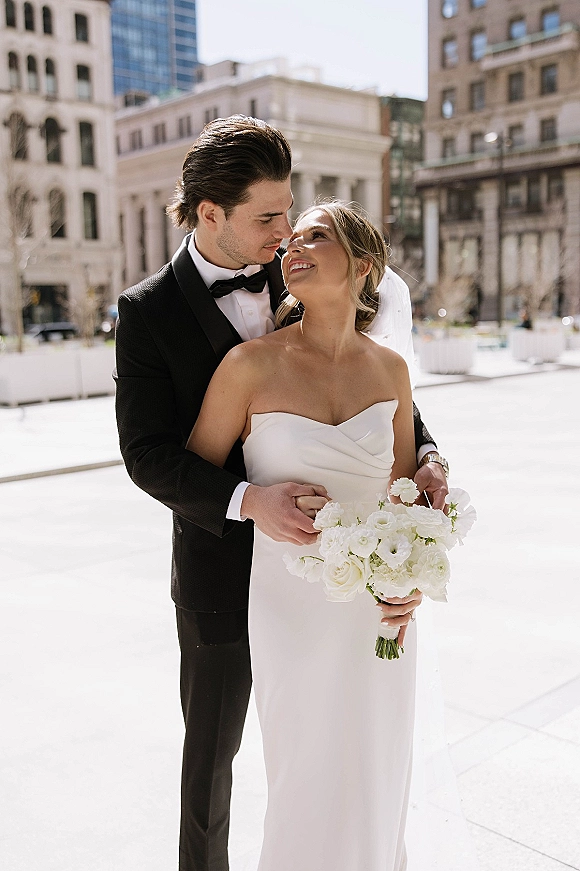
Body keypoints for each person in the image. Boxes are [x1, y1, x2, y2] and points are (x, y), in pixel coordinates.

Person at [114, 116, 449, 871]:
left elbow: (384, 396)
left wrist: (427, 458)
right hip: (221, 568)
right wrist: (248, 500)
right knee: (212, 769)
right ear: (210, 214)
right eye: (268, 218)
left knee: (353, 752)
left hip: (342, 578)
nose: (283, 233)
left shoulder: (295, 268)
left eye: (289, 214)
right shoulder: (146, 313)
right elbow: (147, 456)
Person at [187, 200, 419, 870]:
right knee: (304, 774)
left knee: (378, 766)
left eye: (318, 235)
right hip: (287, 603)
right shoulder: (249, 366)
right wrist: (253, 501)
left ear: (364, 266)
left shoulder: (392, 373)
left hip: (378, 613)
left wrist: (411, 584)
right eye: (292, 237)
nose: (294, 244)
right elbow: (195, 480)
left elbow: (404, 499)